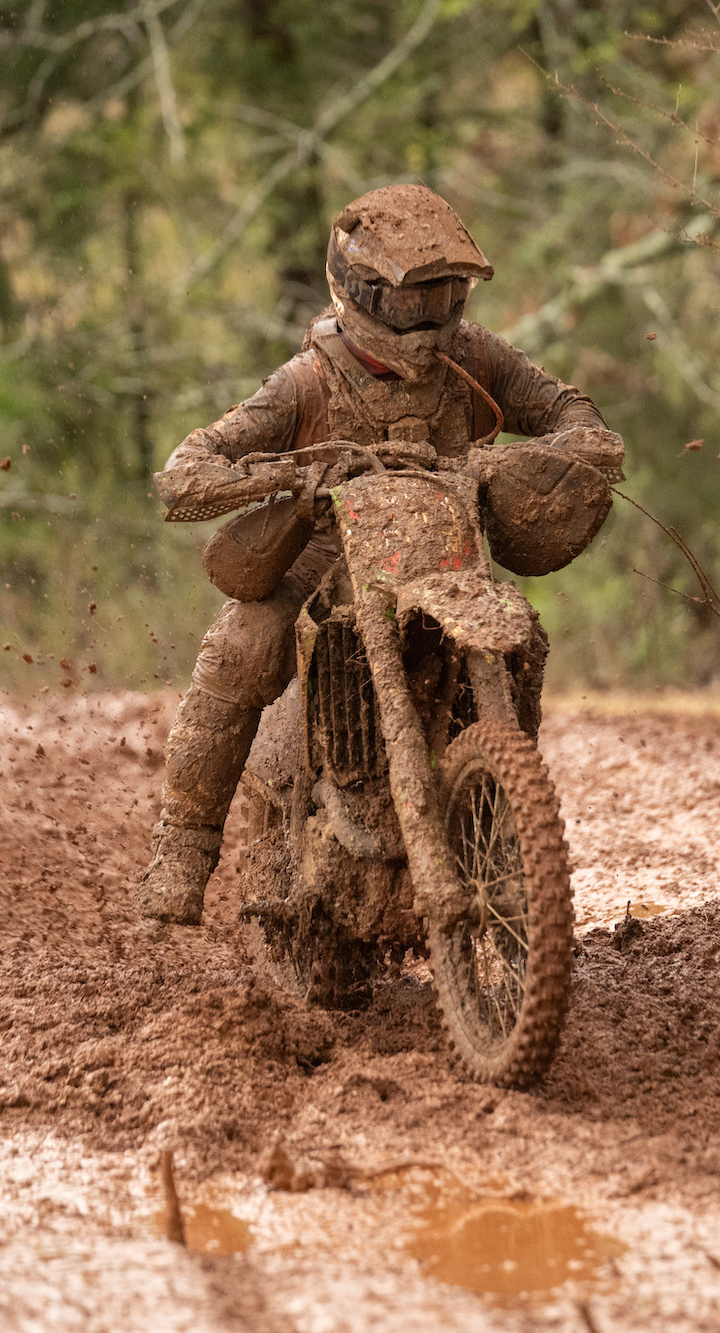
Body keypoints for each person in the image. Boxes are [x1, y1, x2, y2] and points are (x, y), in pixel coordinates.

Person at [135, 184, 625, 925]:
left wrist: (579, 440)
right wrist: (281, 473)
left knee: (522, 636)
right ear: (360, 293)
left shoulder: (475, 356)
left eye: (445, 296)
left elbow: (565, 405)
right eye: (409, 302)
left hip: (445, 556)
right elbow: (188, 464)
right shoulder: (306, 379)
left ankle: (499, 817)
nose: (430, 321)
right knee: (243, 643)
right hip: (324, 558)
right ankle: (182, 851)